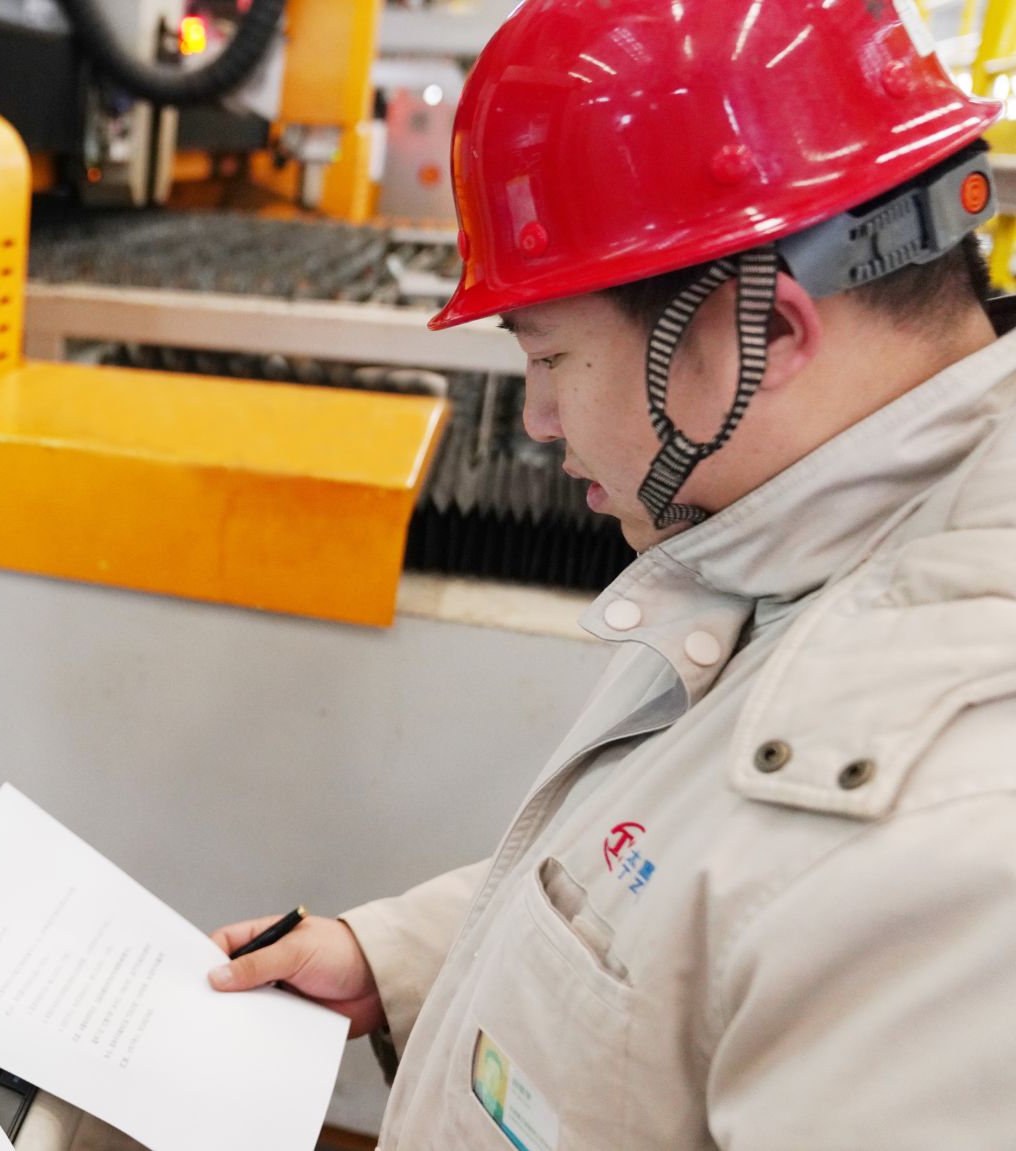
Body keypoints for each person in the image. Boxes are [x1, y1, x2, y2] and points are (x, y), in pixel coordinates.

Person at [207, 3, 1016, 1146]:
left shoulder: (952, 835)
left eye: (548, 355)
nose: (537, 418)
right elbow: (684, 901)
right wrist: (394, 958)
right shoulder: (793, 543)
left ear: (761, 335)